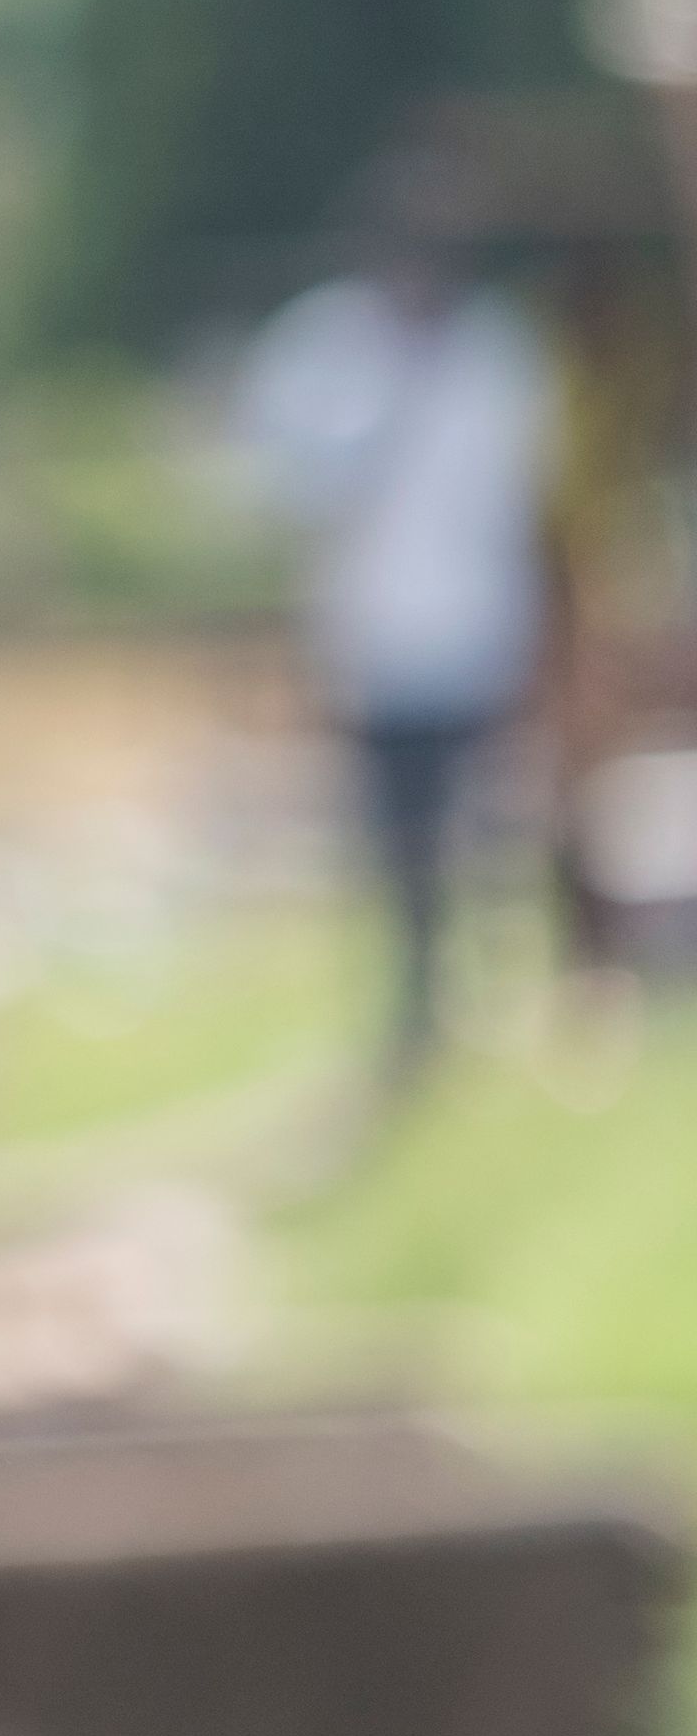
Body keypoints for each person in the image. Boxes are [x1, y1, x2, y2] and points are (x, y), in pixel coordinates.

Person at [240, 218, 561, 1090]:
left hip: (478, 634)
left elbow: (523, 492)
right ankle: (413, 1006)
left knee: (483, 832)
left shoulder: (495, 350)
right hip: (374, 643)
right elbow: (287, 481)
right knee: (396, 837)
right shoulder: (328, 349)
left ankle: (474, 1003)